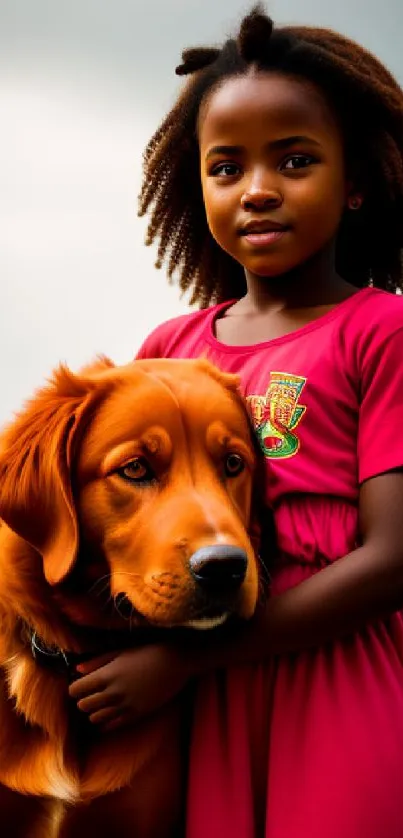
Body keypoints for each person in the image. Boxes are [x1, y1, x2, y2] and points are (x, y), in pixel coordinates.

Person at [69, 6, 403, 836]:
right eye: (226, 167)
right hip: (199, 693)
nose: (257, 188)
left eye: (294, 161)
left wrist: (183, 662)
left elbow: (394, 559)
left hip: (335, 672)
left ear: (353, 181)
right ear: (197, 187)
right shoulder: (168, 350)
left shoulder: (379, 331)